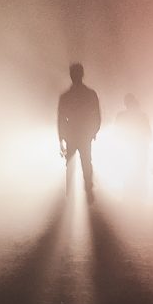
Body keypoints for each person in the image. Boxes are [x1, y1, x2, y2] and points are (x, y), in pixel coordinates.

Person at [57, 63, 103, 201]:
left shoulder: (65, 96)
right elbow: (97, 116)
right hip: (84, 134)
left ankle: (71, 192)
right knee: (86, 162)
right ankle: (88, 189)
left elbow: (60, 119)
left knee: (70, 164)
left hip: (72, 134)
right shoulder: (90, 94)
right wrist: (93, 131)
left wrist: (61, 139)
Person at [115, 93, 152, 201]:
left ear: (126, 103)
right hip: (140, 148)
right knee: (140, 171)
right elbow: (149, 134)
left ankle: (129, 195)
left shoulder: (121, 116)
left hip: (129, 148)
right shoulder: (142, 116)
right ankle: (141, 195)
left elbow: (116, 132)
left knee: (129, 171)